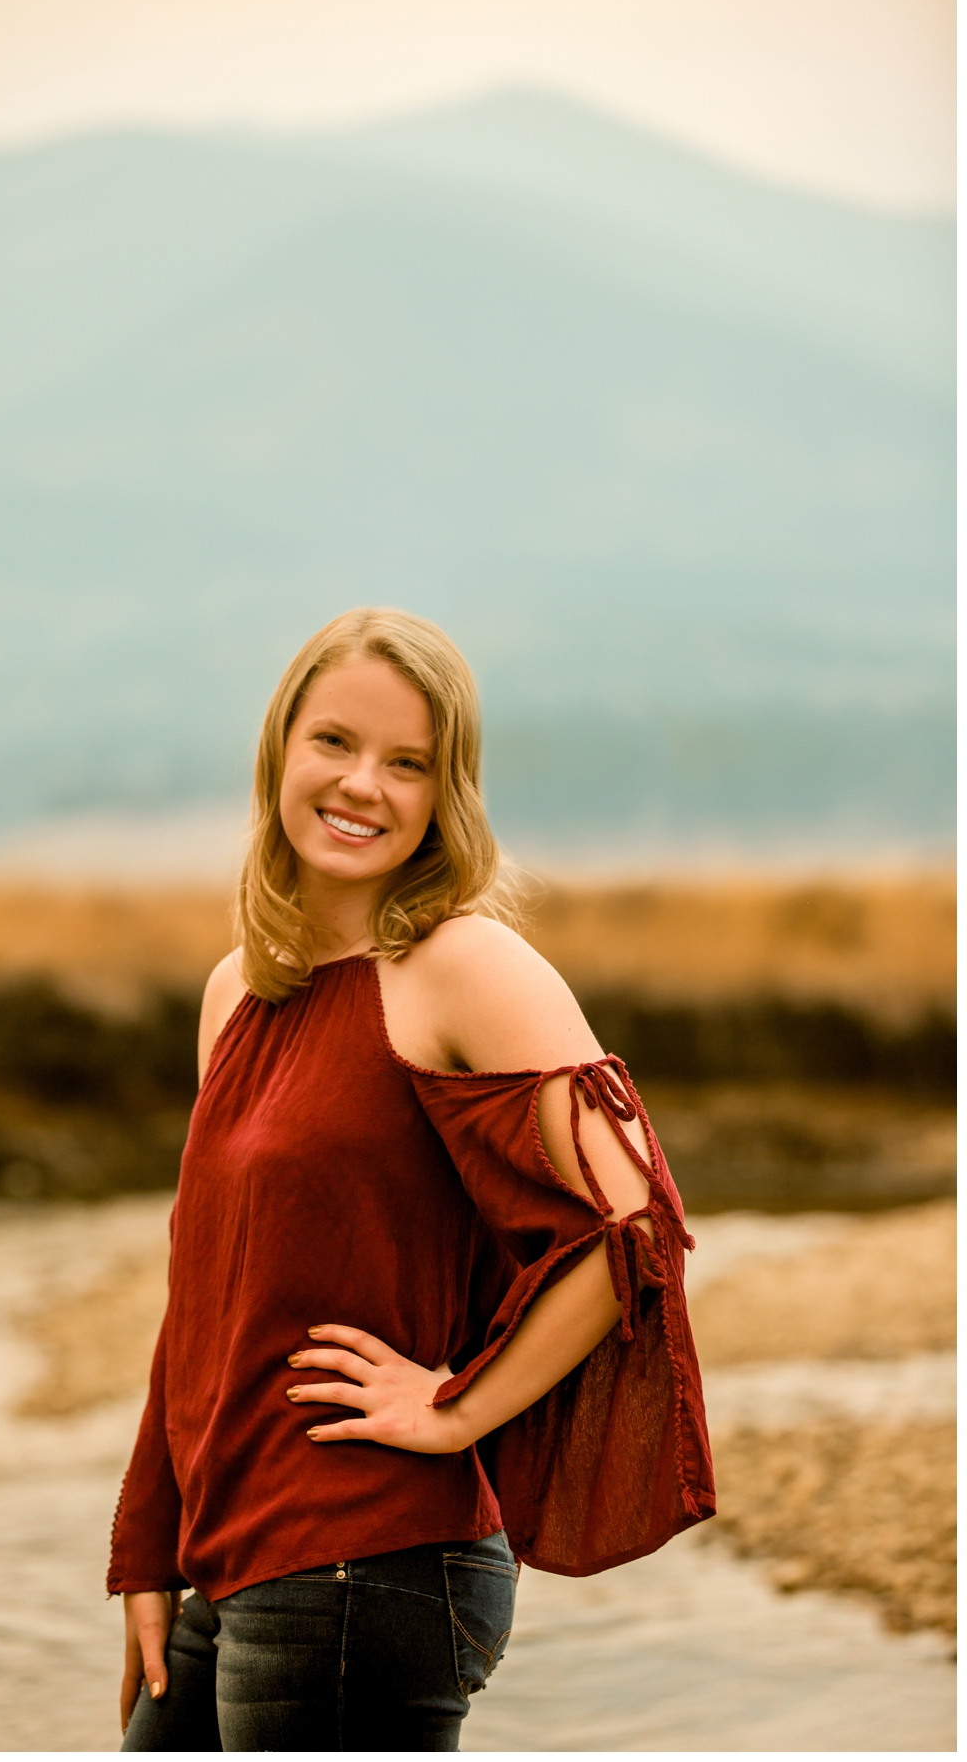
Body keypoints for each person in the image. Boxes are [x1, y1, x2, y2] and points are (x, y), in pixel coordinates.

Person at [111, 607, 713, 1752]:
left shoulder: (460, 964)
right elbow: (206, 1297)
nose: (362, 784)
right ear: (280, 748)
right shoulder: (235, 992)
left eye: (408, 763)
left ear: (448, 795)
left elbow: (634, 1223)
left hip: (370, 1560)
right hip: (233, 1558)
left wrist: (456, 1408)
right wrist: (149, 1542)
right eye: (335, 741)